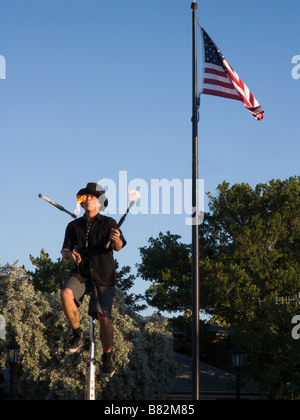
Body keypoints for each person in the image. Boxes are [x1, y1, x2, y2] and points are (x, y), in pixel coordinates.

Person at [60, 182, 126, 378]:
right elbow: (64, 250)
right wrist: (71, 255)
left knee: (104, 318)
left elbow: (119, 247)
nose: (88, 199)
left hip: (103, 274)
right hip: (81, 273)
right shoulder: (73, 226)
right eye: (85, 196)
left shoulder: (109, 223)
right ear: (81, 201)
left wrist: (115, 238)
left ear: (99, 202)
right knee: (65, 293)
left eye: (92, 196)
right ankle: (77, 334)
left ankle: (107, 356)